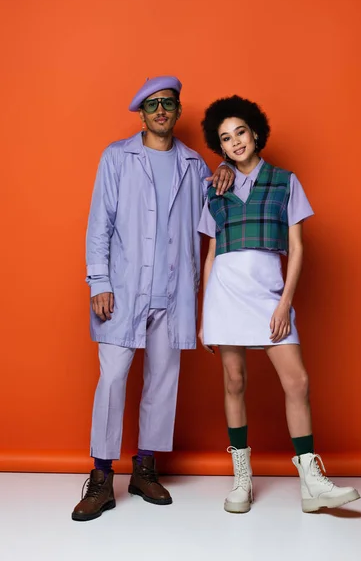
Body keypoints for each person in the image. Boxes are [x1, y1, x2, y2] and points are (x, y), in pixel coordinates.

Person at [71, 76, 234, 521]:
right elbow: (98, 223)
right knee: (113, 380)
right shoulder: (116, 158)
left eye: (168, 103)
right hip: (123, 291)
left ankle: (145, 469)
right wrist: (99, 281)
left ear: (178, 110)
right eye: (152, 104)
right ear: (141, 114)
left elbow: (219, 209)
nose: (161, 110)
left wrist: (227, 167)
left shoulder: (194, 164)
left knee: (162, 381)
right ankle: (102, 478)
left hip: (173, 292)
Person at [198, 95, 360, 514]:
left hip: (268, 296)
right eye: (224, 138)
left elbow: (297, 246)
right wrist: (204, 314)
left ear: (255, 133)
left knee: (297, 382)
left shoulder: (286, 181)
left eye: (240, 132)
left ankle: (312, 483)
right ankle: (242, 480)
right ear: (219, 146)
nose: (234, 142)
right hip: (224, 296)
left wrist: (284, 303)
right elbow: (212, 250)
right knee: (233, 382)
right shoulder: (214, 188)